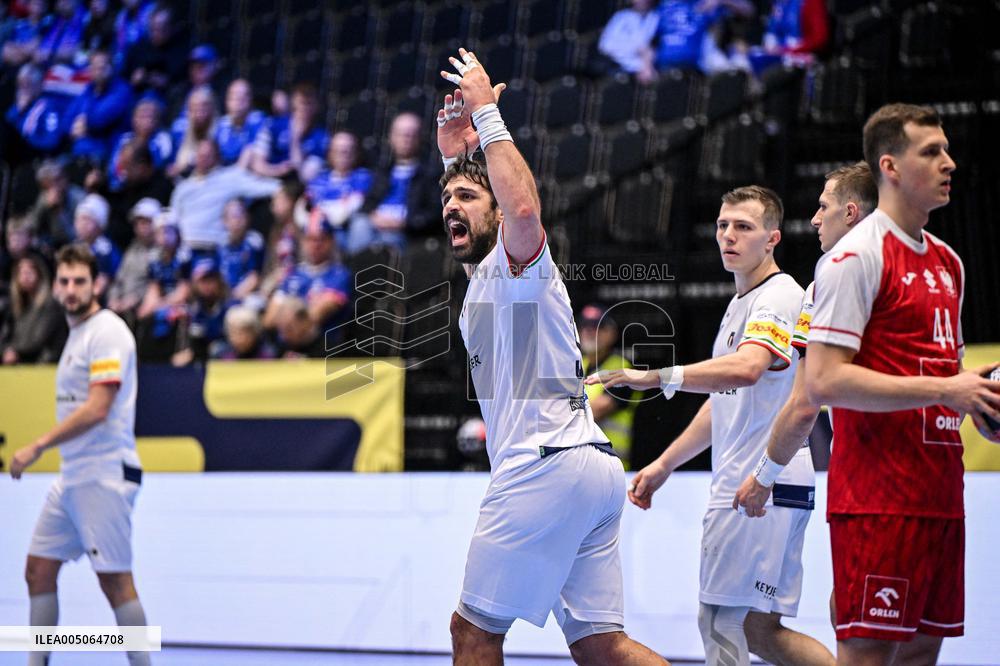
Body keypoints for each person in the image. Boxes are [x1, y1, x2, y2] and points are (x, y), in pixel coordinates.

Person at [437, 49, 667, 666]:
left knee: (473, 633)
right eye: (446, 199)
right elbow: (482, 203)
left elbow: (520, 208)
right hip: (589, 469)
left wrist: (486, 116)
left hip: (543, 466)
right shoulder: (490, 275)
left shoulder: (519, 262)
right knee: (600, 647)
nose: (450, 207)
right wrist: (455, 155)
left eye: (465, 197)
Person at [589, 186, 830, 666]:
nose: (728, 236)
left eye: (744, 226)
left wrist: (657, 376)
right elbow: (725, 401)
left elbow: (747, 369)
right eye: (723, 225)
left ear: (772, 239)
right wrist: (664, 464)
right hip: (765, 481)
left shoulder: (777, 295)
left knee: (722, 621)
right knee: (759, 631)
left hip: (760, 481)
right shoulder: (741, 302)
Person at [804, 103, 1000, 665]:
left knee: (920, 657)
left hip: (941, 493)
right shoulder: (853, 257)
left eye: (947, 149)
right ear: (889, 166)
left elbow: (946, 381)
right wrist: (946, 390)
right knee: (867, 658)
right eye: (931, 152)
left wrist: (980, 405)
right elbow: (823, 381)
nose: (949, 163)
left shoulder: (950, 263)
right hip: (876, 499)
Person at [9, 243, 151, 666]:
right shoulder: (76, 334)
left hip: (104, 472)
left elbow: (98, 407)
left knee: (115, 583)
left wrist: (38, 445)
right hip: (73, 476)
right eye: (65, 281)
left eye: (80, 281)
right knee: (37, 569)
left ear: (97, 284)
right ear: (55, 286)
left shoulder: (107, 331)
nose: (71, 290)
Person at [734, 161, 877, 515]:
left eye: (823, 207)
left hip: (864, 479)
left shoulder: (829, 278)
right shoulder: (931, 266)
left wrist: (764, 477)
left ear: (850, 213)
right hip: (933, 471)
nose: (814, 219)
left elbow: (805, 400)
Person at [168, 138, 280, 254]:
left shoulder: (230, 177)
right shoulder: (182, 188)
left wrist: (285, 188)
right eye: (200, 154)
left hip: (215, 247)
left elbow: (264, 188)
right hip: (186, 247)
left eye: (208, 155)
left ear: (217, 158)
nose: (203, 158)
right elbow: (172, 219)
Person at [354, 111, 440, 251]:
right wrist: (374, 217)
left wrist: (405, 223)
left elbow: (434, 212)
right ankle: (356, 269)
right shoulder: (382, 172)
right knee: (359, 224)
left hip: (405, 231)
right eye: (401, 134)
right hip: (377, 225)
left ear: (420, 138)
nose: (406, 139)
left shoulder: (430, 174)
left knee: (388, 240)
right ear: (391, 137)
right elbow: (367, 203)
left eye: (411, 134)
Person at [263, 209, 351, 335]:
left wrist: (287, 312)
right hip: (285, 347)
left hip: (322, 347)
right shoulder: (291, 275)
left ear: (331, 241)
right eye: (310, 239)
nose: (315, 245)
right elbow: (269, 320)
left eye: (321, 239)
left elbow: (314, 317)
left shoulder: (340, 276)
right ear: (302, 241)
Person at [578, 304, 639, 468]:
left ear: (612, 333)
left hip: (610, 466)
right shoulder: (574, 366)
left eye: (598, 326)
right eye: (584, 326)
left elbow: (594, 412)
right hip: (576, 464)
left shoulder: (622, 369)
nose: (589, 331)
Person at [308, 130, 373, 253]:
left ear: (356, 153)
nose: (344, 154)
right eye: (339, 150)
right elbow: (306, 207)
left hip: (345, 231)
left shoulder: (363, 177)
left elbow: (353, 206)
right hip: (318, 230)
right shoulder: (318, 180)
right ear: (330, 153)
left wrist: (324, 214)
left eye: (348, 150)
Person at [64, 47, 132, 163]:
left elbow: (99, 120)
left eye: (103, 66)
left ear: (111, 68)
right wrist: (76, 127)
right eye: (95, 67)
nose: (99, 71)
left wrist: (83, 123)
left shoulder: (122, 90)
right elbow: (66, 121)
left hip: (107, 153)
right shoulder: (88, 90)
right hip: (79, 153)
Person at [250, 81, 328, 179]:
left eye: (309, 103)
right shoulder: (273, 125)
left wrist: (295, 140)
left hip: (297, 186)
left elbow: (306, 177)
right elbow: (257, 164)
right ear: (293, 103)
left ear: (316, 106)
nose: (304, 108)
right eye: (302, 103)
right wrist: (277, 171)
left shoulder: (321, 137)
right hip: (268, 179)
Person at [1, 254, 67, 364]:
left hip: (44, 364)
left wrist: (14, 351)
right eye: (21, 273)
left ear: (40, 274)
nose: (25, 277)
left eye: (29, 272)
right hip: (22, 361)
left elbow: (38, 341)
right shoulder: (16, 306)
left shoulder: (51, 305)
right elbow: (6, 335)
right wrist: (5, 350)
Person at [107, 197, 160, 325]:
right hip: (122, 307)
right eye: (138, 222)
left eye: (146, 222)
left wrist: (136, 299)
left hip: (144, 311)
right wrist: (113, 298)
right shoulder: (132, 249)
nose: (141, 227)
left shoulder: (162, 252)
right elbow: (119, 279)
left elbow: (157, 285)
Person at [597, 0, 660, 83]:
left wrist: (646, 60)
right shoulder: (621, 16)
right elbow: (605, 46)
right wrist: (641, 62)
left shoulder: (655, 17)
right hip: (619, 64)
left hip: (650, 63)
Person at [73, 192, 120, 297]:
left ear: (100, 224)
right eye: (79, 219)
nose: (82, 224)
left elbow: (102, 284)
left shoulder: (105, 250)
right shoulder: (75, 246)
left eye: (87, 220)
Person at [218, 197, 264, 301]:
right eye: (234, 216)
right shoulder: (220, 244)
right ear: (224, 221)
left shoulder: (253, 241)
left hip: (247, 294)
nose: (238, 220)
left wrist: (233, 297)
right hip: (224, 294)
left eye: (241, 215)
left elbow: (254, 277)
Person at [215, 78, 267, 167]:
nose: (237, 103)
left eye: (241, 98)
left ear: (249, 100)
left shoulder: (259, 121)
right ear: (227, 101)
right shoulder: (221, 124)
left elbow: (254, 157)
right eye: (233, 98)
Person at [209, 304, 277, 360]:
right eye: (234, 333)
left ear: (254, 333)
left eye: (244, 333)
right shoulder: (221, 356)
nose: (240, 339)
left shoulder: (268, 357)